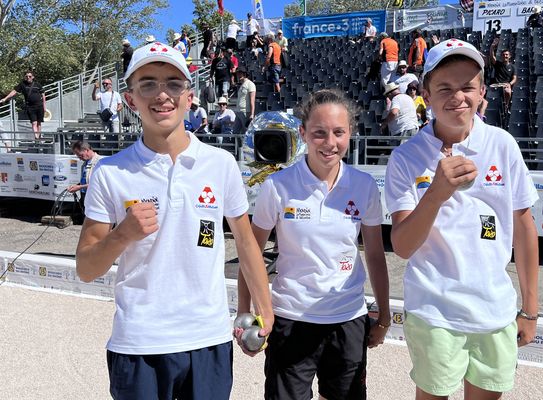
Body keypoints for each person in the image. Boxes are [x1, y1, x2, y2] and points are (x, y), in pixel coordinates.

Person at [75, 41, 273, 400]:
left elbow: (246, 243)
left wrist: (266, 309)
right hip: (138, 343)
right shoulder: (110, 172)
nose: (161, 94)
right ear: (130, 98)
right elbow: (86, 268)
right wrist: (122, 236)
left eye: (173, 83)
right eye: (147, 83)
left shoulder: (220, 163)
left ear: (188, 96)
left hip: (208, 340)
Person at [385, 38, 539, 400]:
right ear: (426, 92)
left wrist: (530, 308)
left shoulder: (502, 144)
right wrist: (437, 192)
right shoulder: (406, 159)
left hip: (494, 311)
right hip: (434, 311)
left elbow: (524, 228)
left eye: (468, 87)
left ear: (482, 90)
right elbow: (404, 246)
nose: (458, 97)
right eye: (444, 88)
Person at [237, 89, 391, 400]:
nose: (330, 143)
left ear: (350, 134)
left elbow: (374, 255)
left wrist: (385, 314)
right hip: (291, 319)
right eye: (319, 133)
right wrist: (244, 313)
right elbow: (249, 254)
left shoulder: (363, 186)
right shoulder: (277, 186)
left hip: (348, 319)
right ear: (303, 133)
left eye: (339, 132)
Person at [0, 71, 46, 140]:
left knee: (39, 123)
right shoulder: (22, 84)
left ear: (33, 77)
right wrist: (5, 98)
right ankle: (36, 138)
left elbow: (43, 96)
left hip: (39, 106)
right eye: (26, 76)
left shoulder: (38, 85)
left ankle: (38, 136)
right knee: (34, 123)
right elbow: (14, 91)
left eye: (30, 76)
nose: (28, 78)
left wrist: (44, 106)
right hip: (30, 107)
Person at [67, 141, 100, 209]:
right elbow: (86, 180)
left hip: (95, 197)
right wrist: (77, 186)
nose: (80, 158)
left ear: (86, 150)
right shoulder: (85, 163)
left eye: (80, 155)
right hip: (85, 195)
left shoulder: (100, 162)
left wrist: (80, 187)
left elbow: (99, 184)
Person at [489, 40, 517, 109]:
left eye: (506, 55)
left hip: (505, 85)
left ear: (509, 56)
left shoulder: (513, 67)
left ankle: (506, 106)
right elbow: (492, 56)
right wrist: (492, 47)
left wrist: (510, 84)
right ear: (501, 56)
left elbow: (514, 78)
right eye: (503, 55)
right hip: (496, 84)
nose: (505, 56)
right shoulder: (498, 64)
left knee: (508, 91)